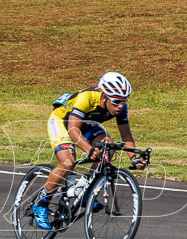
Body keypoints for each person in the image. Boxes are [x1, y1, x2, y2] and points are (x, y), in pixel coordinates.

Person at [32, 72, 148, 230]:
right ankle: (41, 203)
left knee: (108, 146)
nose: (120, 106)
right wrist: (89, 149)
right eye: (116, 101)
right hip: (62, 122)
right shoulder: (87, 97)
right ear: (104, 96)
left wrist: (134, 158)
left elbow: (126, 135)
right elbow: (73, 129)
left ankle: (86, 192)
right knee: (68, 162)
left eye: (124, 101)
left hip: (86, 125)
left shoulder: (120, 107)